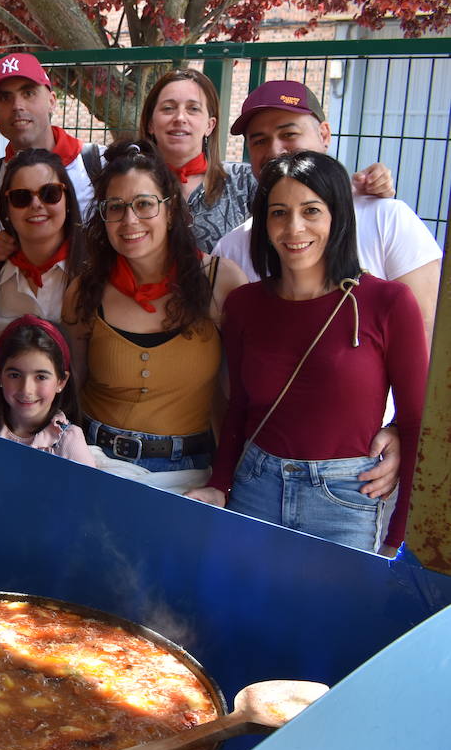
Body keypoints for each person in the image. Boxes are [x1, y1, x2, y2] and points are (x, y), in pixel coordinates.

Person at [187, 152, 427, 552]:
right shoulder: (244, 305)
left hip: (347, 501)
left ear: (338, 216)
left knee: (333, 614)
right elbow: (240, 407)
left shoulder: (387, 302)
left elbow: (418, 423)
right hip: (255, 488)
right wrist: (218, 484)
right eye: (279, 212)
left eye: (311, 210)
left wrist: (397, 540)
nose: (294, 228)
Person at [62, 140, 248, 474]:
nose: (129, 220)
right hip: (95, 462)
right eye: (115, 207)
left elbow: (239, 391)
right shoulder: (85, 291)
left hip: (188, 472)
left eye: (144, 204)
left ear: (172, 209)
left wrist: (225, 475)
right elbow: (72, 383)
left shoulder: (220, 282)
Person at [212, 79, 441, 347]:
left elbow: (426, 330)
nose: (275, 151)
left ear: (324, 135)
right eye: (260, 140)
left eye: (288, 134)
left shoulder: (387, 219)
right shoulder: (231, 250)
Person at [0, 148, 84, 413]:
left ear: (67, 199)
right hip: (4, 431)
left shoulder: (92, 277)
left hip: (74, 433)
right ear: (6, 210)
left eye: (49, 193)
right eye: (21, 197)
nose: (36, 204)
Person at [137, 67, 254, 251]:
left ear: (210, 125)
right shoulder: (129, 184)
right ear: (151, 123)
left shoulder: (244, 181)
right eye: (168, 108)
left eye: (193, 109)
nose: (180, 117)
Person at [0, 52, 103, 219]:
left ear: (51, 101)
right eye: (4, 97)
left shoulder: (100, 165)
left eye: (28, 93)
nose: (17, 106)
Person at [0, 315, 96, 467]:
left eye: (41, 377)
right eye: (15, 375)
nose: (26, 389)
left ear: (61, 381)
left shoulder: (69, 443)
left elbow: (86, 489)